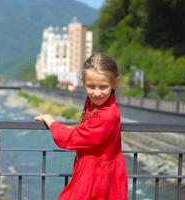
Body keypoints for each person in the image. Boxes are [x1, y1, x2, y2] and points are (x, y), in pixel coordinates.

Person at [35, 53, 128, 200]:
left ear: (115, 83)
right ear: (83, 82)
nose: (96, 92)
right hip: (98, 171)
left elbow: (71, 139)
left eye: (103, 86)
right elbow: (88, 129)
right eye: (90, 86)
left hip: (98, 177)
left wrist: (51, 122)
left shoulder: (107, 115)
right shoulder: (102, 104)